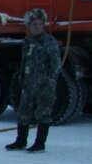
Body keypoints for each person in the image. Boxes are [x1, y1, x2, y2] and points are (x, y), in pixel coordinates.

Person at [6, 8, 61, 153]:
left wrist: (50, 81)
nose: (37, 26)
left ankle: (40, 143)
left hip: (44, 84)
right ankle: (21, 141)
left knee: (43, 113)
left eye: (40, 24)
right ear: (29, 26)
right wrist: (21, 79)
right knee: (23, 113)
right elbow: (24, 62)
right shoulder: (27, 42)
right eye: (34, 24)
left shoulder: (49, 42)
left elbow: (55, 63)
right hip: (29, 84)